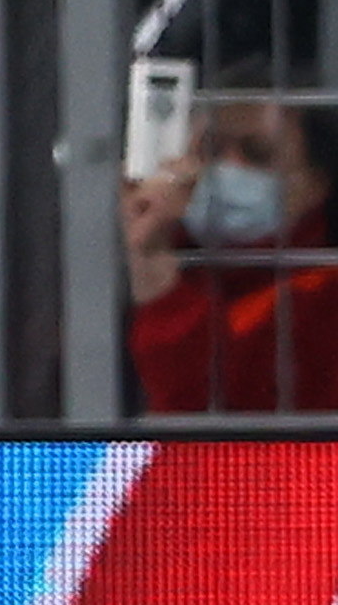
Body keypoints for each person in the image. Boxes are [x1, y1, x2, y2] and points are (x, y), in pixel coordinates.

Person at [120, 78, 338, 412]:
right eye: (211, 151)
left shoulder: (323, 297)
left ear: (316, 184)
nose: (226, 169)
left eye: (257, 154)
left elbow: (202, 409)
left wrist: (158, 278)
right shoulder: (168, 264)